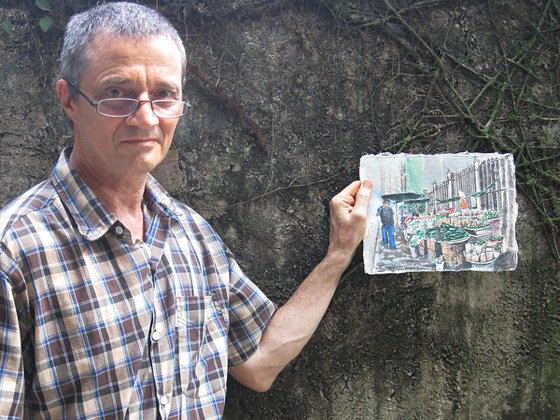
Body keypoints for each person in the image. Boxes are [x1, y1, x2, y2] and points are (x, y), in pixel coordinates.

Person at [0, 2, 373, 419]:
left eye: (164, 95)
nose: (145, 118)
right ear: (68, 98)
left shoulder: (191, 235)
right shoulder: (14, 252)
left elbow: (261, 362)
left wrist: (338, 255)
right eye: (117, 93)